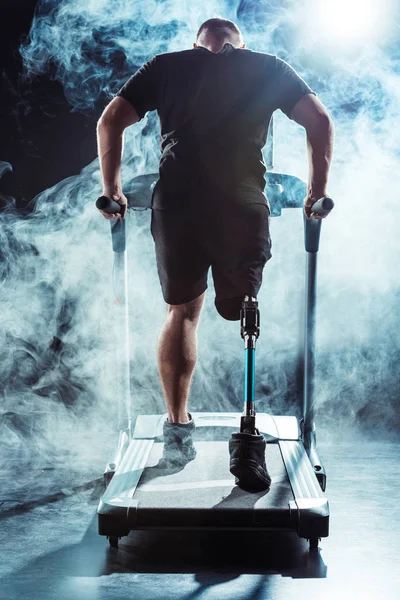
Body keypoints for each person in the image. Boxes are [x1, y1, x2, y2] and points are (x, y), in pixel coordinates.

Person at [96, 17, 334, 491]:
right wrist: (316, 193)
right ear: (239, 45)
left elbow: (110, 121)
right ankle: (247, 435)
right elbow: (320, 122)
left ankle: (177, 430)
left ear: (197, 43)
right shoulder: (266, 66)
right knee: (243, 308)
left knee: (182, 312)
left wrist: (113, 191)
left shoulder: (166, 65)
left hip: (178, 202)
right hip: (242, 203)